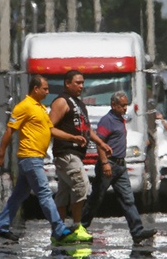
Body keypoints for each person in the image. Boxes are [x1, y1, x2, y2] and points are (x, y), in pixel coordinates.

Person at [0, 74, 89, 245]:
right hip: (29, 157)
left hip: (36, 158)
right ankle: (59, 229)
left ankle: (1, 226)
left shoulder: (42, 108)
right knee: (44, 193)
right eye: (45, 89)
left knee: (18, 196)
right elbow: (9, 131)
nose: (48, 92)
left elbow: (51, 130)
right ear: (35, 89)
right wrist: (1, 154)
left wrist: (73, 137)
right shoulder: (24, 107)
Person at [81, 91, 157, 244]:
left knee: (128, 199)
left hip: (121, 166)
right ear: (113, 105)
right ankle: (81, 227)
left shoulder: (120, 119)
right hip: (109, 164)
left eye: (125, 105)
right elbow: (100, 143)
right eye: (122, 106)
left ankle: (137, 232)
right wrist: (104, 163)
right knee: (96, 198)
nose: (125, 108)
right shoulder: (107, 121)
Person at [49, 70, 112, 242]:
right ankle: (77, 226)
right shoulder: (62, 102)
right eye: (77, 82)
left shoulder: (79, 104)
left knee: (64, 192)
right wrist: (71, 137)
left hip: (76, 153)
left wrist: (101, 143)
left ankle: (59, 232)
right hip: (66, 153)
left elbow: (87, 129)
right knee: (82, 186)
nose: (81, 86)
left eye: (83, 83)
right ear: (67, 83)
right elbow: (49, 127)